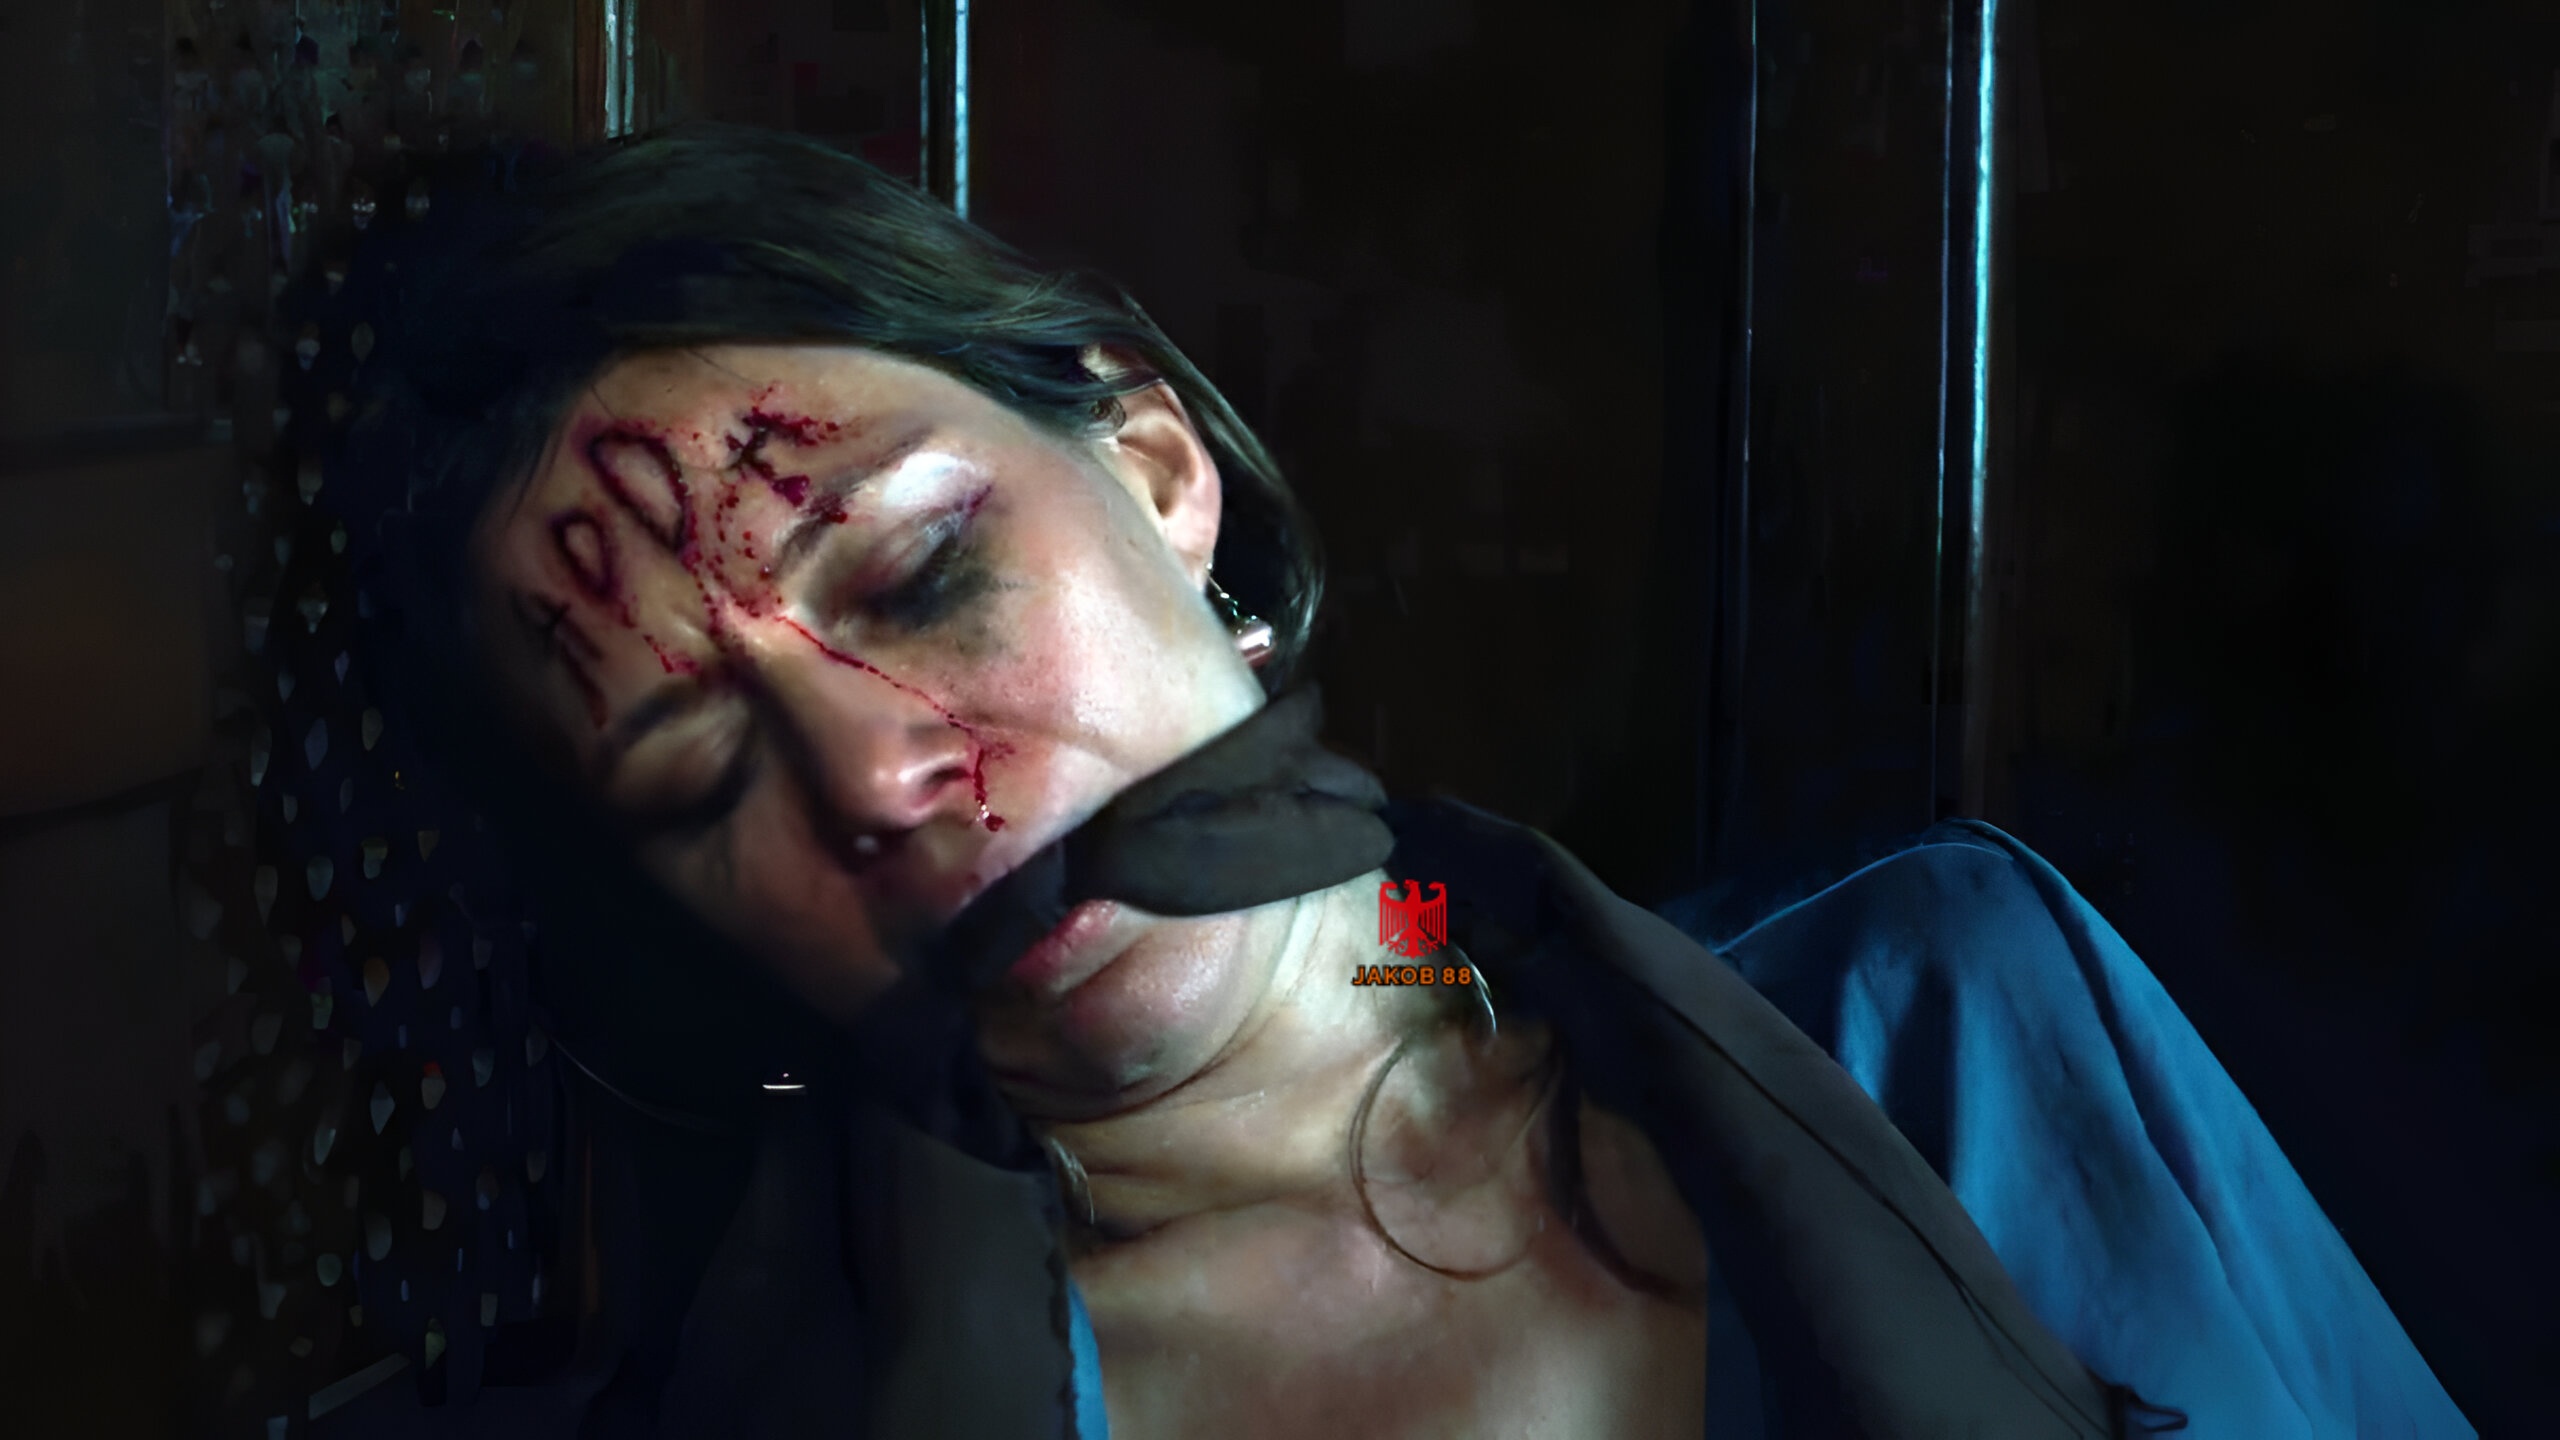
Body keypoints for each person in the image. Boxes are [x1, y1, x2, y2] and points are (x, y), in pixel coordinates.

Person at [312, 124, 2469, 1439]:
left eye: (921, 572)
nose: (881, 771)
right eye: (701, 779)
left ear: (1157, 474)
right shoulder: (816, 1400)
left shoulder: (1955, 1008)